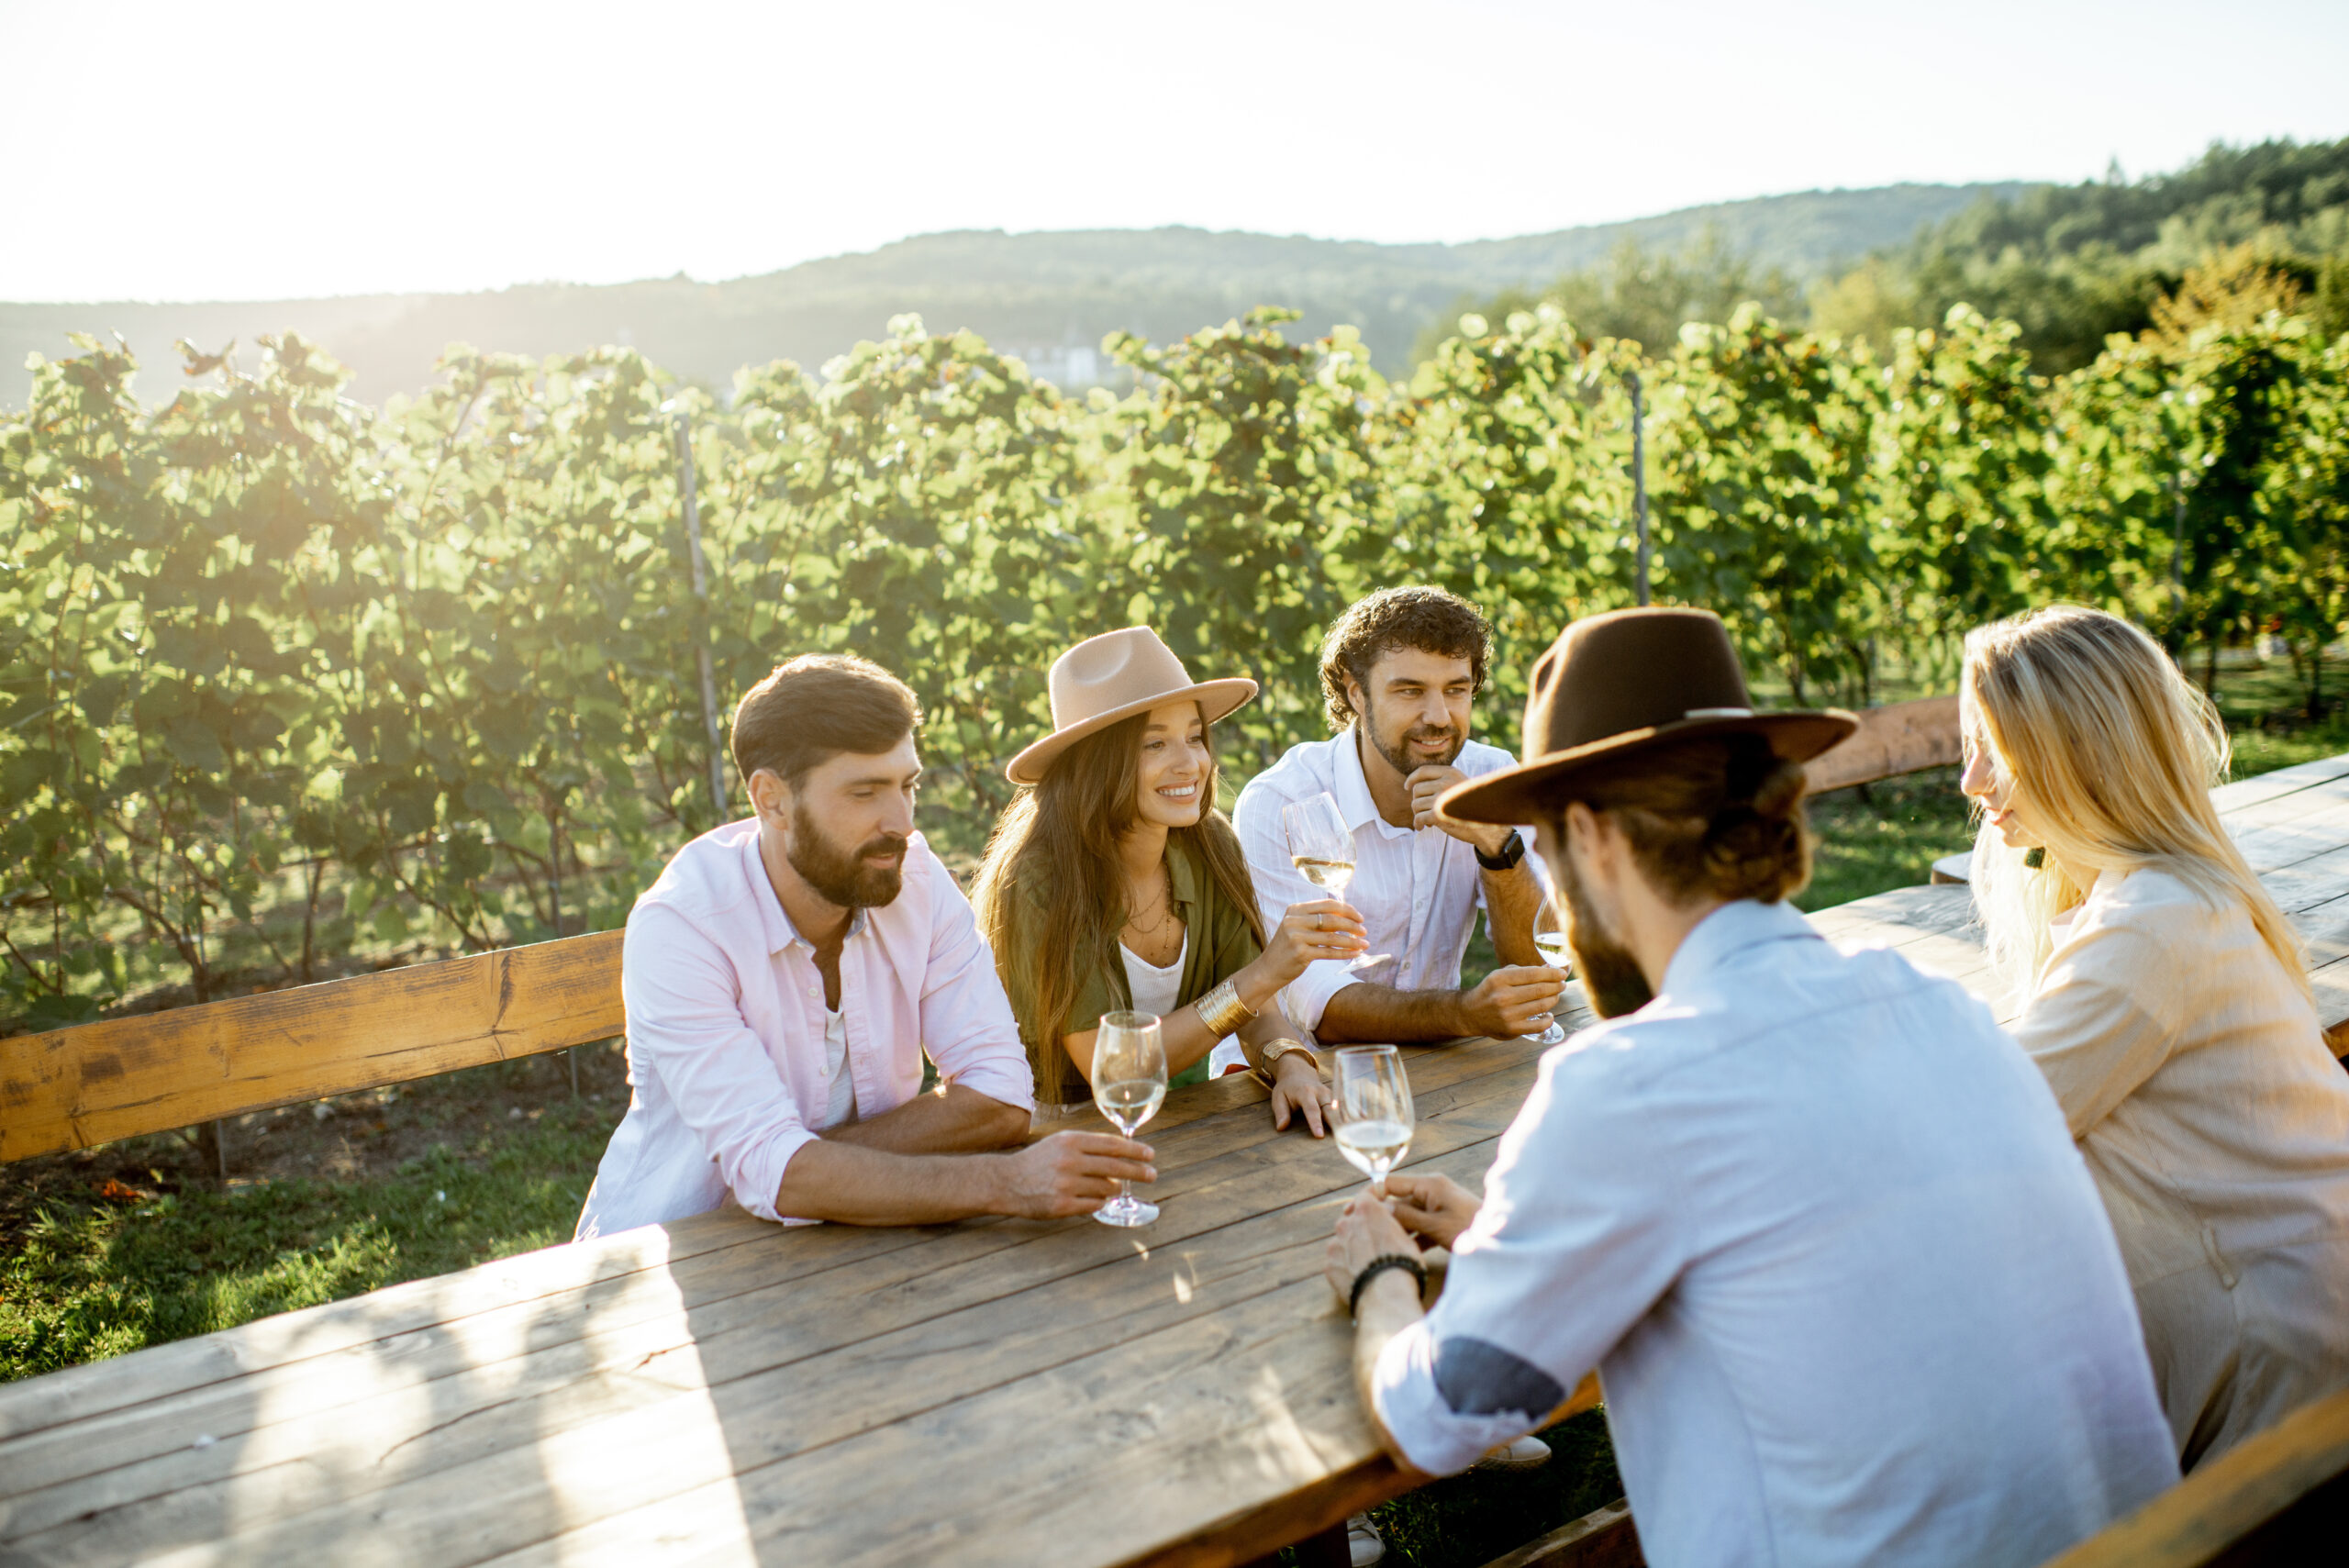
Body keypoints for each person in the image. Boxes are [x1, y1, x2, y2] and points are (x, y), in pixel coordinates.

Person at [1324, 606, 2179, 1568]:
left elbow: (1440, 1418)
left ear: (1591, 839)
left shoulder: (1627, 1085)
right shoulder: (1944, 1009)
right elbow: (1788, 1239)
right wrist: (1508, 1236)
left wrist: (1379, 1279)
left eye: (1550, 852)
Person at [576, 654, 1155, 1239]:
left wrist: (803, 1163)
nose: (901, 822)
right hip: (677, 1250)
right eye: (864, 792)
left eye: (908, 786)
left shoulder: (915, 880)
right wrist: (1005, 1184)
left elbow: (1001, 1097)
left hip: (862, 1237)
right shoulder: (684, 926)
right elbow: (779, 1176)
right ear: (771, 800)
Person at [1960, 604, 2349, 1468]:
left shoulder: (2155, 924)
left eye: (1997, 747)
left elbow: (1979, 1129)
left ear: (2081, 752)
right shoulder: (2162, 898)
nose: (1972, 780)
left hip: (2283, 1379)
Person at [974, 627, 1358, 1129]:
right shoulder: (1040, 880)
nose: (1192, 764)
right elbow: (1112, 1069)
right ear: (1097, 763)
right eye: (1155, 743)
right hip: (1043, 1130)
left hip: (1167, 1123)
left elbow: (1255, 1009)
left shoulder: (1208, 844)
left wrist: (1290, 1064)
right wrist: (1265, 973)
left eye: (1195, 738)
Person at [1234, 587, 1565, 1050]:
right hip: (1296, 1077)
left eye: (1456, 690)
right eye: (1410, 691)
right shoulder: (1282, 800)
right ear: (1356, 693)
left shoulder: (1492, 777)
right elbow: (1318, 1008)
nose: (1438, 717)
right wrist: (1464, 1013)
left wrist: (1496, 843)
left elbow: (1542, 967)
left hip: (1439, 1067)